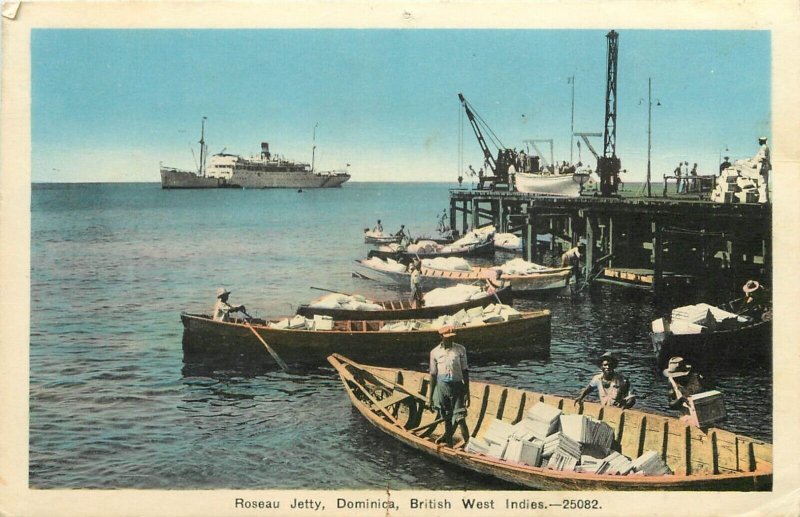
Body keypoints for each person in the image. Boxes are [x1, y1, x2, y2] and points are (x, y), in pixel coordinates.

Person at [428, 326, 470, 448]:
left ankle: (468, 444)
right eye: (447, 338)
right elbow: (433, 375)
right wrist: (430, 397)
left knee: (460, 417)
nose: (450, 340)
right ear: (441, 337)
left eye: (452, 337)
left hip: (457, 386)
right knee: (446, 416)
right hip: (442, 386)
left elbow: (465, 371)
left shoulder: (460, 350)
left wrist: (467, 391)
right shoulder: (435, 352)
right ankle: (449, 443)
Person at [663, 356, 707, 424]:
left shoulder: (698, 378)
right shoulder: (672, 382)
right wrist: (681, 399)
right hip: (687, 417)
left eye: (678, 376)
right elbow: (671, 405)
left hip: (705, 414)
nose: (676, 378)